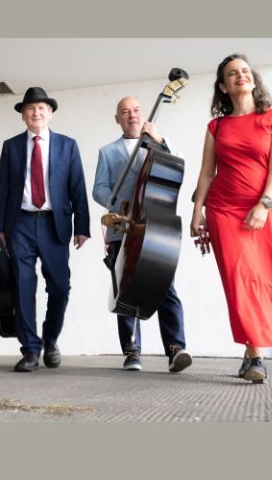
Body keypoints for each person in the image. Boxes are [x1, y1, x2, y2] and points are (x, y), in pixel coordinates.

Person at [191, 54, 272, 383]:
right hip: (223, 211)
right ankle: (257, 355)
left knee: (269, 278)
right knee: (240, 281)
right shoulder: (216, 126)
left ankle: (249, 355)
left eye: (245, 71)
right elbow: (207, 173)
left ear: (253, 79)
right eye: (232, 73)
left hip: (263, 208)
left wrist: (263, 205)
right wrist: (197, 211)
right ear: (223, 86)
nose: (240, 75)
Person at [93, 96, 192, 373]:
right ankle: (131, 352)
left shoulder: (161, 144)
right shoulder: (108, 152)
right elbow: (99, 189)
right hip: (123, 228)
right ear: (118, 119)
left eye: (136, 110)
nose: (131, 115)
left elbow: (178, 164)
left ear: (143, 114)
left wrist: (158, 139)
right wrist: (117, 205)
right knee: (125, 289)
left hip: (156, 228)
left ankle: (176, 348)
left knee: (165, 287)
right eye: (125, 112)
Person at [0, 87, 90, 372]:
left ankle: (50, 340)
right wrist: (1, 227)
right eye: (30, 108)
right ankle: (30, 350)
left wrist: (82, 225)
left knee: (60, 287)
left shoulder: (67, 145)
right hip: (20, 223)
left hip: (54, 223)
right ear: (23, 115)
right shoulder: (11, 146)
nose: (36, 113)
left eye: (41, 108)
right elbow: (4, 189)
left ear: (50, 113)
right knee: (22, 285)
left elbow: (77, 186)